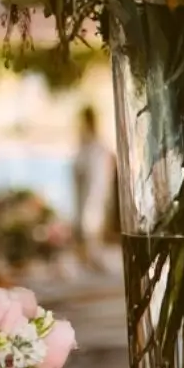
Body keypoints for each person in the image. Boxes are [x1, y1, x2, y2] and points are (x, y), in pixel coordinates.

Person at [72, 106, 113, 259]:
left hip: (94, 190)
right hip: (87, 190)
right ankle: (88, 254)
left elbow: (98, 174)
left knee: (92, 220)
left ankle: (92, 254)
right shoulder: (86, 145)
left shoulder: (97, 147)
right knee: (88, 220)